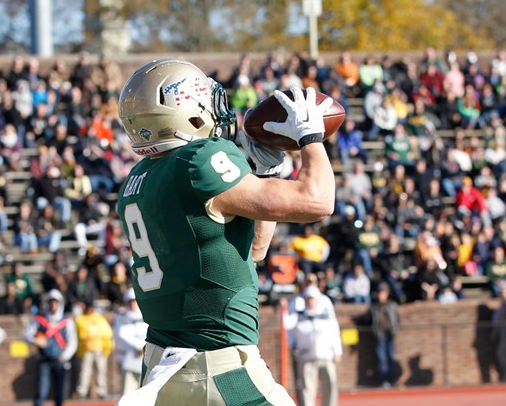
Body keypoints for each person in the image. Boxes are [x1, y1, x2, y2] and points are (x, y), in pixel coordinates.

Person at [114, 59, 335, 406]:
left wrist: (264, 174)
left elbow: (254, 250)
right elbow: (317, 200)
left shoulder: (138, 178)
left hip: (161, 368)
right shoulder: (199, 159)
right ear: (187, 112)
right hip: (220, 368)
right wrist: (311, 136)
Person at [24, 289, 78, 406]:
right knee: (41, 391)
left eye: (55, 302)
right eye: (51, 302)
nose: (53, 305)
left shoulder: (66, 321)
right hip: (44, 360)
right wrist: (36, 341)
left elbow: (73, 341)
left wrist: (64, 356)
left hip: (60, 360)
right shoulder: (40, 319)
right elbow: (27, 335)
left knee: (60, 393)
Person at [291, 286, 342, 406]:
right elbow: (292, 334)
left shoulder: (326, 316)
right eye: (308, 299)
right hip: (307, 357)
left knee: (330, 386)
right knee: (307, 389)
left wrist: (337, 351)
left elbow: (335, 333)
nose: (311, 301)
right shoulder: (298, 316)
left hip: (326, 356)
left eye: (313, 299)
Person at [74, 299, 113, 400]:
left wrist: (107, 346)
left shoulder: (99, 319)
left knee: (101, 371)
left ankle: (102, 391)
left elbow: (107, 333)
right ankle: (82, 391)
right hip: (86, 349)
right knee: (85, 372)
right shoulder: (80, 319)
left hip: (100, 348)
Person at [112, 288, 149, 395]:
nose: (133, 304)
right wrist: (139, 346)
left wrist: (143, 347)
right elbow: (121, 334)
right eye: (130, 301)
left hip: (145, 358)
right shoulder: (121, 317)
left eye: (135, 301)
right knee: (128, 391)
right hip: (128, 359)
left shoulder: (145, 315)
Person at [364, 283, 400, 388]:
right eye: (380, 293)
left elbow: (397, 319)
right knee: (381, 358)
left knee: (391, 356)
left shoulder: (392, 305)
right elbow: (367, 319)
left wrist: (395, 329)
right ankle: (384, 380)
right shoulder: (374, 307)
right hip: (380, 335)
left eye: (383, 292)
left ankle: (392, 380)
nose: (381, 295)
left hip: (390, 333)